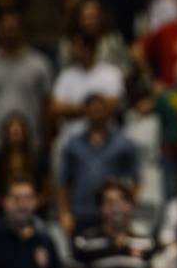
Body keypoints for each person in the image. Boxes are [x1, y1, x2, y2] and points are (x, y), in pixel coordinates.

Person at [0, 8, 52, 146]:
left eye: (13, 28)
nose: (9, 33)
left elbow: (47, 107)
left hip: (30, 144)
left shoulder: (40, 64)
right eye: (5, 28)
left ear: (21, 30)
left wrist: (45, 141)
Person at [57, 95, 139, 234]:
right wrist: (64, 212)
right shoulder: (73, 144)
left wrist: (129, 209)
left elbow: (135, 180)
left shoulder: (122, 144)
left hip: (113, 214)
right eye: (92, 109)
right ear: (85, 112)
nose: (96, 112)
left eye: (100, 109)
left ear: (108, 112)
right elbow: (64, 182)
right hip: (81, 212)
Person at [68, 179, 158, 268]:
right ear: (100, 208)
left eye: (122, 200)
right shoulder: (85, 242)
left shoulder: (146, 243)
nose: (116, 207)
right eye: (109, 202)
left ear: (131, 205)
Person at [0, 113, 49, 219]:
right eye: (12, 132)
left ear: (25, 133)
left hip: (35, 212)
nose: (15, 135)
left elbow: (47, 190)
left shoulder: (38, 158)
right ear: (6, 134)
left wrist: (30, 205)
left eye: (18, 132)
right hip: (3, 212)